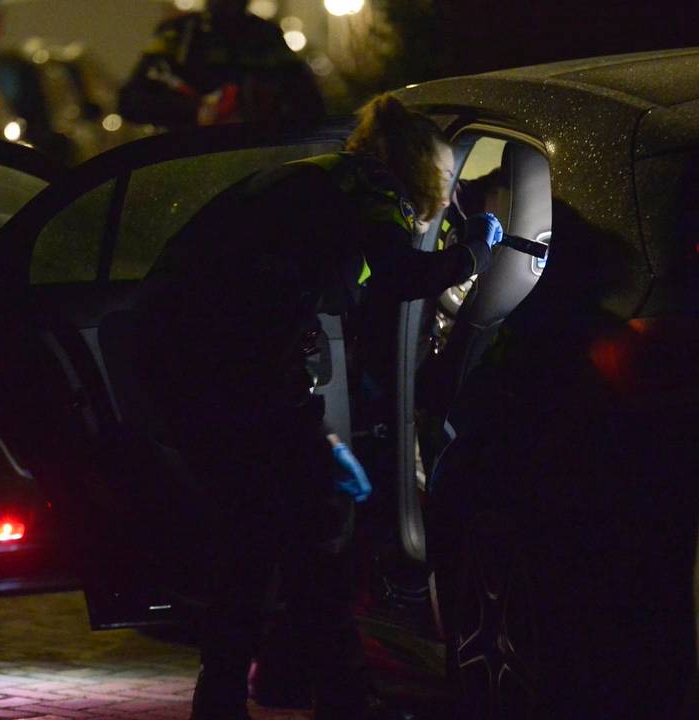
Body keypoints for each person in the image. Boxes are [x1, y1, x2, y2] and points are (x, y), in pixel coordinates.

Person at [129, 93, 504, 720]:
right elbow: (399, 274)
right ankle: (339, 698)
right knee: (310, 534)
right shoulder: (373, 188)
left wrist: (314, 428)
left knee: (253, 535)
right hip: (226, 368)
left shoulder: (319, 180)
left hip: (185, 359)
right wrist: (476, 251)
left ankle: (237, 694)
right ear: (418, 167)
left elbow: (278, 298)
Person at [118, 0, 325, 129]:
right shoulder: (180, 35)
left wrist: (264, 109)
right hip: (190, 158)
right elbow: (131, 101)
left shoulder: (267, 37)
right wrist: (195, 111)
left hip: (257, 158)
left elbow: (311, 107)